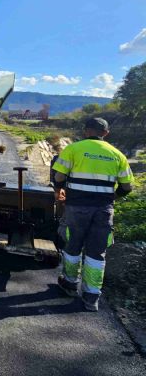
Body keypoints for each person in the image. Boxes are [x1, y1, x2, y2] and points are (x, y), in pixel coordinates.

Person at [52, 117, 133, 311]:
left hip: (77, 207)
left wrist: (60, 189)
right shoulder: (118, 155)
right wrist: (111, 197)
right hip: (103, 210)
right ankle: (91, 297)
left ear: (86, 130)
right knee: (97, 252)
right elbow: (127, 187)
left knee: (73, 245)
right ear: (106, 133)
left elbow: (59, 176)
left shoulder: (74, 149)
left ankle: (70, 284)